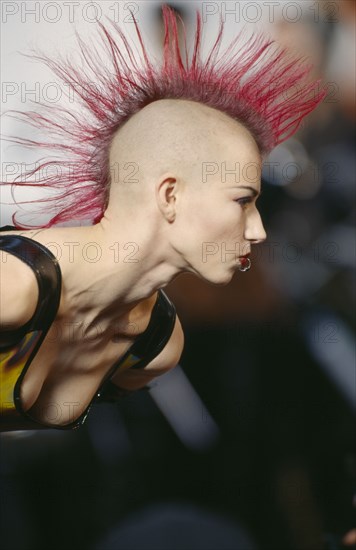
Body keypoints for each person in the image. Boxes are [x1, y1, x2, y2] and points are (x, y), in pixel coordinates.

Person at [0, 5, 325, 431]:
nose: (258, 229)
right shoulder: (14, 286)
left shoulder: (158, 344)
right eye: (242, 200)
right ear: (169, 195)